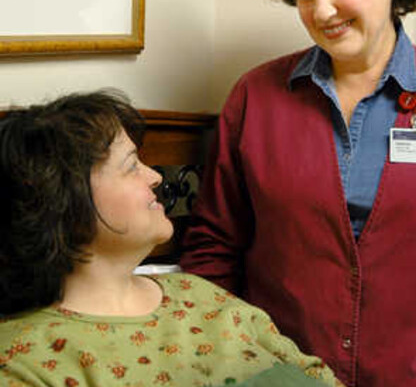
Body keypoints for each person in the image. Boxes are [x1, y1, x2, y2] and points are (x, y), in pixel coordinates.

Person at [179, 0, 416, 386]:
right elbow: (214, 248)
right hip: (278, 375)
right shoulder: (255, 97)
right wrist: (226, 362)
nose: (321, 12)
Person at [0, 90, 342, 387]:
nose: (154, 177)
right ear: (65, 203)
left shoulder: (199, 293)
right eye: (131, 166)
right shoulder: (23, 361)